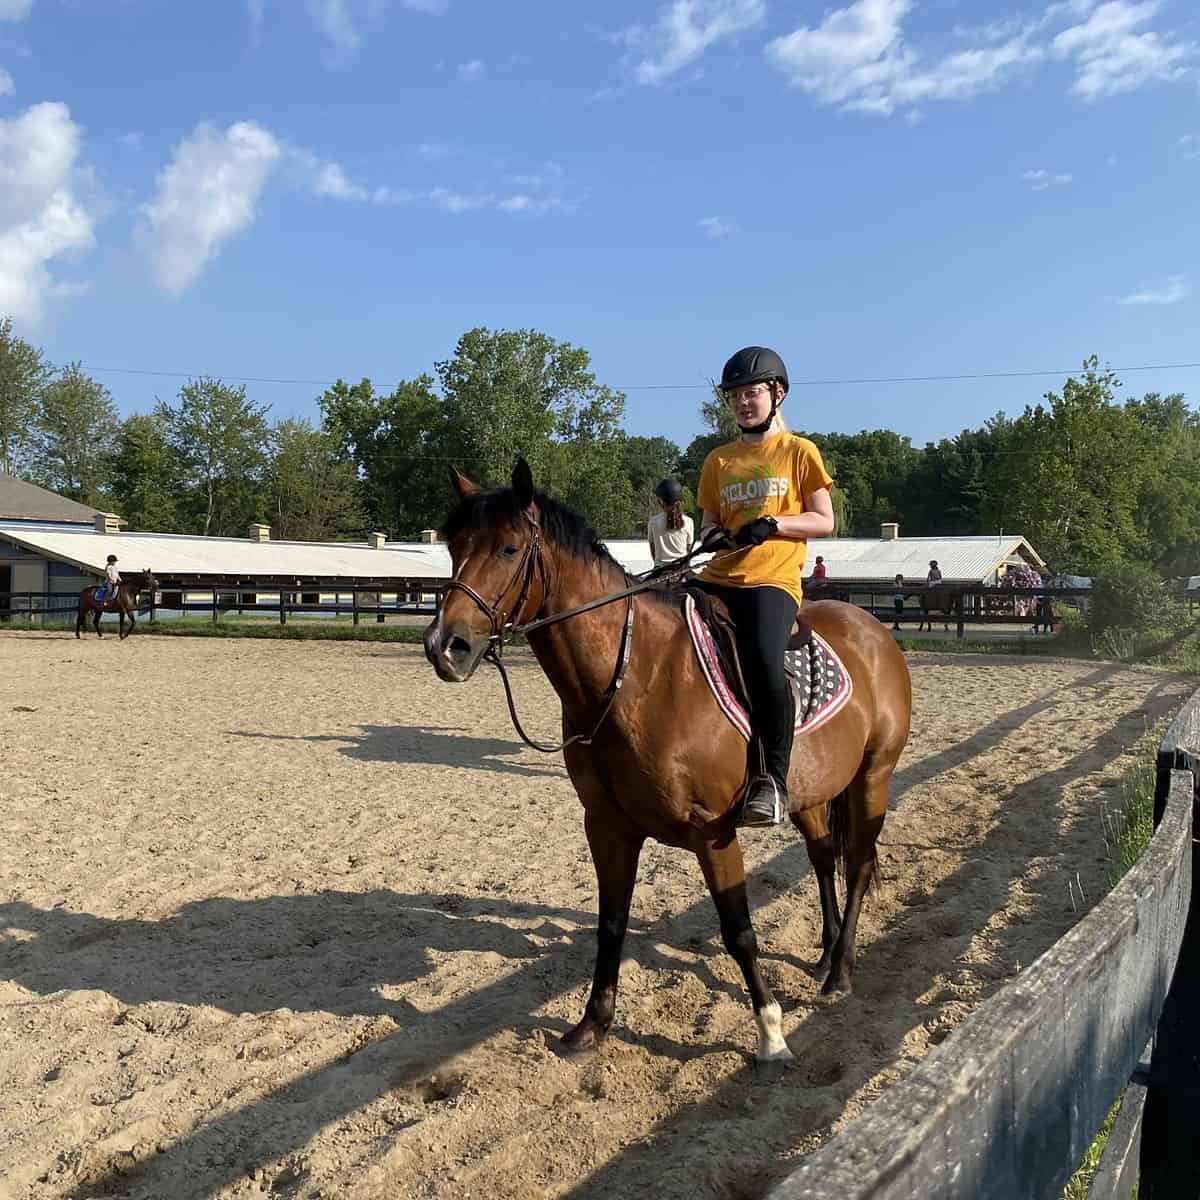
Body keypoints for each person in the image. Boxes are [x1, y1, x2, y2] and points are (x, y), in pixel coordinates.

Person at [696, 346, 834, 827]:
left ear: (777, 394)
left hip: (772, 578)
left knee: (763, 658)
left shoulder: (799, 452)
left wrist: (774, 524)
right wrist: (715, 537)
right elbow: (708, 525)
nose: (742, 402)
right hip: (718, 574)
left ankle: (772, 780)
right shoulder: (718, 461)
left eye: (751, 393)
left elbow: (824, 520)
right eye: (734, 396)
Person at [647, 478, 695, 566]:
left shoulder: (653, 521)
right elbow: (688, 550)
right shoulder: (689, 522)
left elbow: (653, 550)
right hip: (681, 568)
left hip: (660, 568)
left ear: (661, 501)